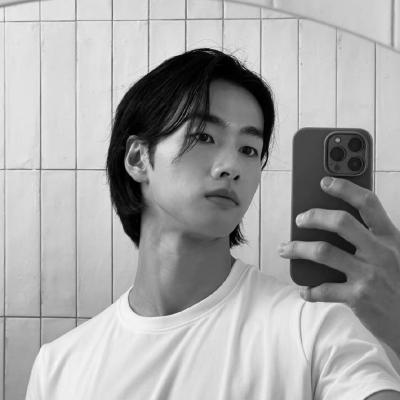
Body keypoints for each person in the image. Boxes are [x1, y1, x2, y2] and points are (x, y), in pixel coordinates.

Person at [26, 48, 400, 399]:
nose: (231, 167)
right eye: (204, 136)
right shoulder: (59, 367)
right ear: (139, 158)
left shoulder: (317, 329)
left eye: (248, 149)